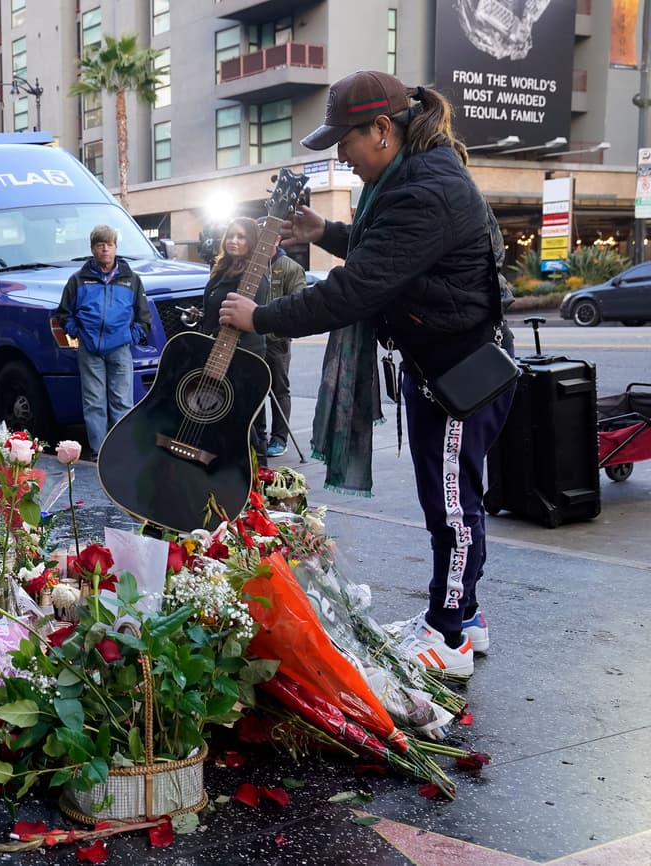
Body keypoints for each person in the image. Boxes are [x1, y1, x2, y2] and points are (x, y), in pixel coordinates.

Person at [218, 70, 514, 678]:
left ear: (382, 129)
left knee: (453, 509)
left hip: (462, 377)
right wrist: (324, 232)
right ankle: (463, 616)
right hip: (445, 366)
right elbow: (392, 258)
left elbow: (355, 291)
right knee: (450, 502)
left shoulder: (421, 191)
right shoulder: (415, 177)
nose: (341, 158)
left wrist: (261, 316)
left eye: (345, 142)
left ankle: (451, 633)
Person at [56, 224, 153, 458]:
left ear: (116, 247)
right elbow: (63, 313)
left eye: (109, 245)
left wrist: (131, 336)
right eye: (100, 246)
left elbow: (143, 316)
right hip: (89, 350)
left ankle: (122, 450)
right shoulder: (78, 280)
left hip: (120, 348)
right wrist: (76, 332)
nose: (105, 250)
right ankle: (100, 452)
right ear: (93, 249)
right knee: (94, 403)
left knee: (122, 402)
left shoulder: (131, 280)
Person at [199, 217, 271, 462]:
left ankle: (257, 468)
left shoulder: (254, 276)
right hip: (214, 347)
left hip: (242, 352)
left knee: (239, 413)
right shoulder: (222, 269)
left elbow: (250, 316)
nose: (233, 241)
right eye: (230, 235)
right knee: (217, 411)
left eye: (240, 237)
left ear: (251, 242)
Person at [261, 250, 307, 457]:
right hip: (252, 340)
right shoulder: (250, 264)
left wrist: (280, 329)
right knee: (254, 390)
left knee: (279, 389)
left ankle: (279, 439)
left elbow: (298, 303)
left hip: (276, 341)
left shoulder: (290, 268)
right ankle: (257, 437)